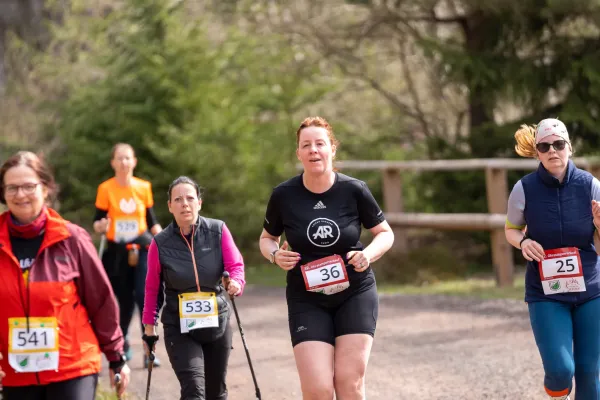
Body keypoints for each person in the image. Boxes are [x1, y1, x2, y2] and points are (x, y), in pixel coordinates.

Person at [258, 116, 395, 399]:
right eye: (306, 145)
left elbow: (385, 233)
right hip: (306, 297)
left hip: (355, 292)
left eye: (320, 144)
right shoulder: (284, 195)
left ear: (332, 149)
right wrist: (274, 256)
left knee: (350, 384)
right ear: (298, 153)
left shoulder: (354, 189)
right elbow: (266, 239)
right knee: (318, 388)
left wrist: (367, 255)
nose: (313, 150)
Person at [0, 151, 130, 399]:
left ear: (46, 188)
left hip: (73, 366)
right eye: (12, 188)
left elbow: (100, 299)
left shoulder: (72, 238)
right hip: (15, 372)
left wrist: (116, 356)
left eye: (29, 186)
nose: (20, 195)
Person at [505, 118, 600, 400]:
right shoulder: (524, 188)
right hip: (546, 292)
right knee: (560, 370)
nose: (552, 151)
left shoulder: (590, 185)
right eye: (544, 146)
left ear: (569, 147)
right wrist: (523, 241)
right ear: (537, 152)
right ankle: (557, 390)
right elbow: (510, 230)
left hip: (591, 289)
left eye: (558, 144)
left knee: (588, 370)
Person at [142, 176, 246, 400]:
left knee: (216, 393)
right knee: (194, 391)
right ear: (169, 206)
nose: (184, 204)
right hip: (179, 326)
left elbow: (235, 265)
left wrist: (236, 283)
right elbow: (152, 289)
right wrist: (149, 329)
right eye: (177, 199)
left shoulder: (218, 231)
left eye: (190, 198)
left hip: (216, 321)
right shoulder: (159, 243)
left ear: (199, 202)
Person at [93, 143, 163, 367]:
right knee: (123, 300)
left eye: (127, 158)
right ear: (113, 162)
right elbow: (98, 220)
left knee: (144, 296)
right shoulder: (106, 188)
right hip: (117, 252)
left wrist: (165, 239)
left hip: (142, 247)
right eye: (119, 158)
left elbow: (151, 221)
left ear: (134, 162)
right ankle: (122, 344)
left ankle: (148, 347)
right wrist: (100, 225)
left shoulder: (143, 187)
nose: (124, 162)